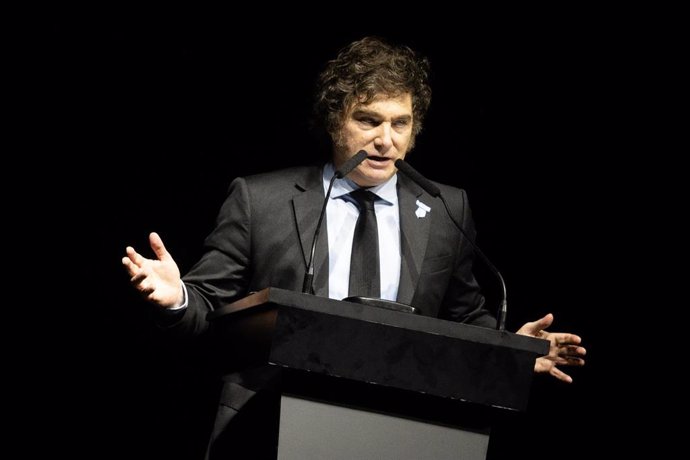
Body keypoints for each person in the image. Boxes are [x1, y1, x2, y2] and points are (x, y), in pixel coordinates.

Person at [122, 36, 586, 459]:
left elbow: (464, 318)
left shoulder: (446, 209)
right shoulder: (260, 200)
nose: (386, 141)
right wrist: (177, 296)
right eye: (369, 121)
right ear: (334, 121)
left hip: (405, 433)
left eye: (401, 123)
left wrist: (513, 351)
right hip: (271, 427)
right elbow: (207, 306)